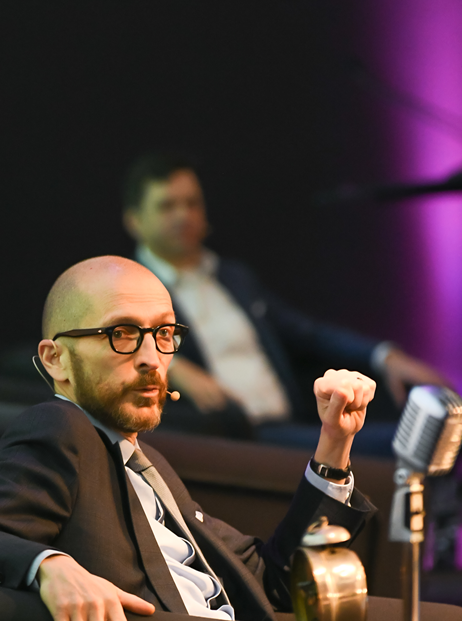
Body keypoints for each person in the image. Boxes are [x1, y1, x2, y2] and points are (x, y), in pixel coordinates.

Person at [0, 254, 437, 621]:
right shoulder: (60, 429)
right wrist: (49, 565)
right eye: (121, 333)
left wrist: (334, 442)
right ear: (55, 360)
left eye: (163, 334)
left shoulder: (148, 462)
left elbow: (273, 579)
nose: (150, 358)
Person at [122, 152, 450, 454]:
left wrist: (383, 355)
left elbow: (308, 333)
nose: (183, 215)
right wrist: (173, 366)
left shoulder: (233, 278)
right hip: (228, 438)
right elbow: (113, 348)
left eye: (191, 203)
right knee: (412, 441)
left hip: (288, 424)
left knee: (435, 429)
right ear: (134, 220)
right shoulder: (129, 287)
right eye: (167, 206)